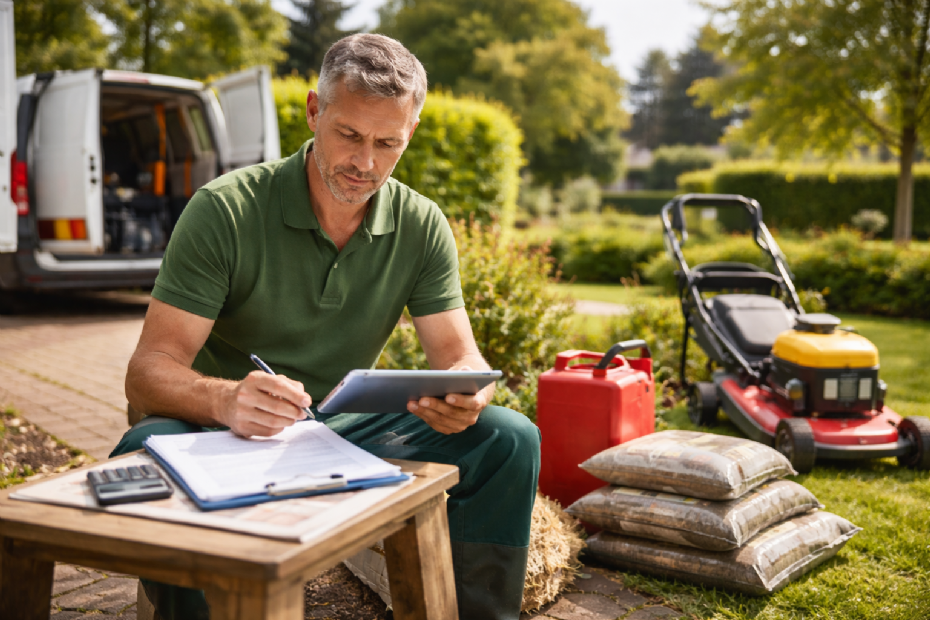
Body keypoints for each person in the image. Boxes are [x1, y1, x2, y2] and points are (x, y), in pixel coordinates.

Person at [113, 33, 540, 620]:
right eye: (350, 135)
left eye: (388, 143)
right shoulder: (226, 209)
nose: (366, 163)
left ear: (409, 134)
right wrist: (226, 398)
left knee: (508, 438)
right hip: (219, 431)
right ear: (315, 111)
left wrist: (469, 391)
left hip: (339, 426)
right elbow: (147, 373)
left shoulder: (422, 225)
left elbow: (460, 356)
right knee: (141, 452)